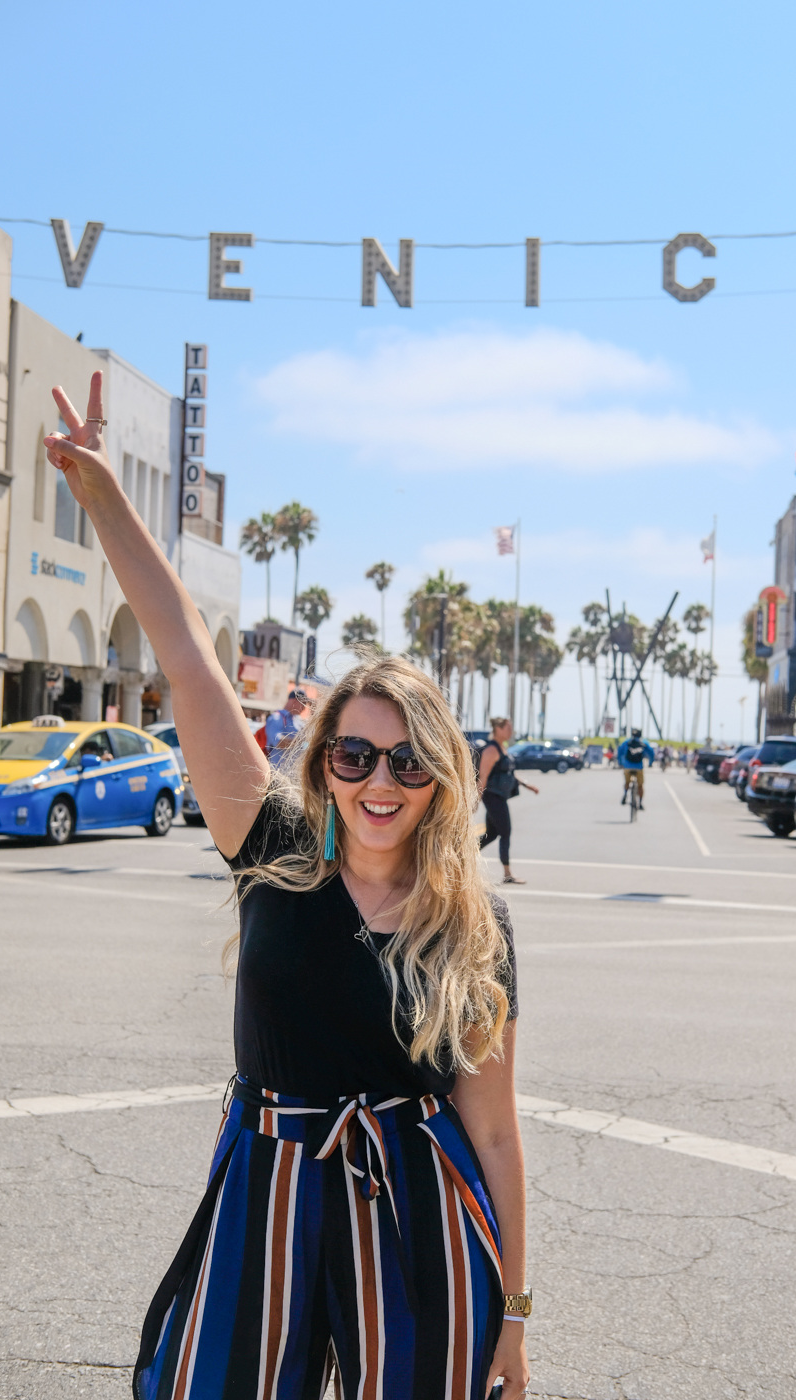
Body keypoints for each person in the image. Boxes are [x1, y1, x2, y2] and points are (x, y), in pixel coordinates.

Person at [43, 373, 529, 1400]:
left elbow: (493, 1129)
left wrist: (515, 1317)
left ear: (440, 775)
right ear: (323, 766)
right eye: (353, 756)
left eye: (405, 761)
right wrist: (100, 495)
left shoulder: (474, 930)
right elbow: (184, 653)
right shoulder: (274, 846)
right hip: (267, 1181)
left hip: (419, 1202)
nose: (378, 782)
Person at [478, 717, 538, 885]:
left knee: (491, 834)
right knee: (505, 832)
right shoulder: (491, 750)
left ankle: (461, 855)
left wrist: (527, 785)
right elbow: (483, 776)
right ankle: (507, 874)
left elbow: (509, 773)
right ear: (498, 729)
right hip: (493, 797)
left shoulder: (502, 748)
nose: (511, 732)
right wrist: (475, 800)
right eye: (508, 728)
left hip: (499, 796)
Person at [262, 686, 308, 763]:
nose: (304, 708)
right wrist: (301, 740)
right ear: (294, 701)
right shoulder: (276, 718)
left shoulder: (296, 720)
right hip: (277, 771)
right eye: (303, 703)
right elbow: (278, 742)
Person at [617, 727, 654, 809]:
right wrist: (650, 763)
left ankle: (625, 794)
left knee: (627, 782)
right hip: (639, 767)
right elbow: (651, 753)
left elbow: (620, 752)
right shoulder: (644, 742)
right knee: (640, 785)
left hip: (627, 766)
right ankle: (640, 803)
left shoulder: (627, 742)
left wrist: (620, 763)